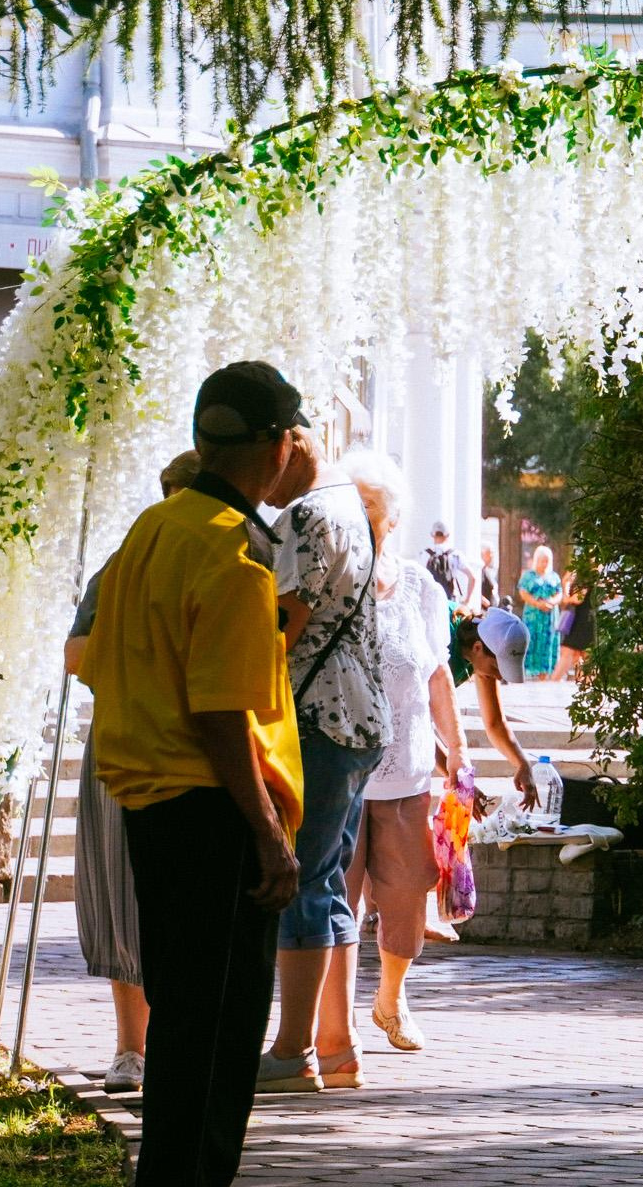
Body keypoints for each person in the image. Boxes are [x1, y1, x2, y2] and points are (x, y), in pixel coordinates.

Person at [86, 361, 308, 1187]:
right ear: (279, 446)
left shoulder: (156, 527)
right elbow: (221, 716)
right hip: (215, 813)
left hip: (152, 805)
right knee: (220, 1033)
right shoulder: (237, 558)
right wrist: (267, 836)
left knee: (183, 1022)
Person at [340, 450, 539, 1055]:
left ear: (393, 519)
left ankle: (390, 1000)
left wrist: (461, 759)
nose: (358, 516)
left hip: (403, 777)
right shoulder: (327, 580)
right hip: (340, 772)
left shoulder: (423, 592)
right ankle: (333, 1019)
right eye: (352, 505)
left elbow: (433, 687)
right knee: (334, 902)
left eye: (371, 508)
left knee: (406, 894)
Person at [63, 448, 206, 1094]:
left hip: (200, 749)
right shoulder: (125, 564)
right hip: (127, 741)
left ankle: (187, 1049)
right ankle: (132, 1048)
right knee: (123, 899)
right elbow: (75, 654)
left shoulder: (234, 561)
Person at [256, 430, 390, 1094]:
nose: (259, 488)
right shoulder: (352, 510)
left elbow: (283, 625)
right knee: (330, 882)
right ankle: (335, 1045)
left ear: (290, 445)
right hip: (359, 716)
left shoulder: (308, 515)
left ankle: (293, 1049)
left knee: (302, 881)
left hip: (316, 715)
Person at [517, 545, 562, 680]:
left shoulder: (554, 576)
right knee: (531, 641)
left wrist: (552, 602)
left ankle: (545, 674)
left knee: (548, 642)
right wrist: (537, 603)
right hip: (533, 616)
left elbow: (559, 593)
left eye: (547, 561)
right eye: (542, 560)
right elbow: (523, 593)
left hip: (550, 616)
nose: (545, 563)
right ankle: (528, 673)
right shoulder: (528, 576)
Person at [552, 567, 596, 682]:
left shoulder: (587, 576)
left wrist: (566, 599)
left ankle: (553, 682)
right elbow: (568, 588)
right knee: (580, 654)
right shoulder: (579, 574)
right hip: (579, 618)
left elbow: (578, 598)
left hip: (584, 619)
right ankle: (587, 684)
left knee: (575, 653)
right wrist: (566, 582)